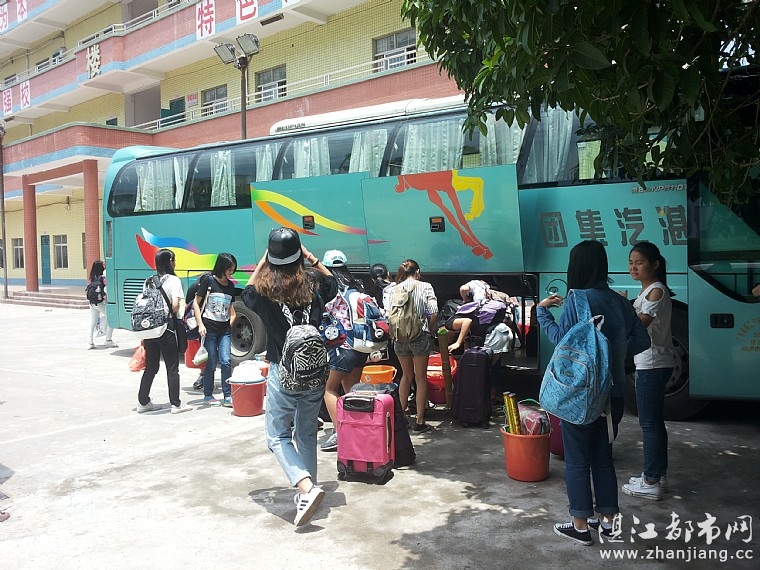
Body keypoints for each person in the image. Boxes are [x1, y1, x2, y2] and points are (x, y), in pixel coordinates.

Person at [536, 240, 649, 545]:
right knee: (603, 458)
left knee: (576, 460)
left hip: (581, 395)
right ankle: (609, 523)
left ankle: (580, 526)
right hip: (613, 394)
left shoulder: (578, 299)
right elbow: (642, 342)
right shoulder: (620, 301)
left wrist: (541, 312)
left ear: (576, 267)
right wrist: (613, 358)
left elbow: (562, 340)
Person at [241, 228, 337, 526]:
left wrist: (263, 261)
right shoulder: (315, 284)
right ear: (299, 255)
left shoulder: (263, 291)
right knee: (306, 433)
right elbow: (334, 283)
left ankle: (306, 488)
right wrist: (311, 257)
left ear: (271, 258)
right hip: (316, 371)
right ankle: (309, 490)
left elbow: (245, 292)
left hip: (284, 372)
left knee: (277, 436)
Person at [621, 242, 675, 501]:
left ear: (655, 264)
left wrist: (621, 308)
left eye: (639, 262)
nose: (633, 267)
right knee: (654, 422)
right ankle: (657, 475)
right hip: (651, 363)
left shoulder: (656, 291)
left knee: (649, 423)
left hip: (652, 364)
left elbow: (640, 325)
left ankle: (651, 481)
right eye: (631, 262)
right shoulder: (647, 291)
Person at [320, 250, 371, 452]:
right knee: (352, 390)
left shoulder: (331, 289)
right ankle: (357, 429)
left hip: (342, 345)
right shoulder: (356, 285)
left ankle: (340, 434)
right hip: (361, 344)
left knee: (329, 389)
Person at [385, 259, 439, 433]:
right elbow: (434, 312)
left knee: (406, 376)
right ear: (417, 272)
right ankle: (420, 421)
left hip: (399, 338)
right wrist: (428, 329)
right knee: (420, 378)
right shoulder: (425, 286)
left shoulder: (392, 289)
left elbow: (387, 315)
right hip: (419, 336)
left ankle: (401, 419)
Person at [137, 248, 193, 414]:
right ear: (169, 262)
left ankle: (143, 402)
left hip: (150, 329)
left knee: (151, 366)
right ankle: (176, 404)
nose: (175, 263)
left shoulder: (149, 280)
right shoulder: (174, 281)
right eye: (174, 260)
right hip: (166, 328)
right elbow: (175, 305)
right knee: (172, 367)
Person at [194, 253, 238, 408]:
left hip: (224, 330)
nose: (231, 272)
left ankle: (227, 395)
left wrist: (228, 324)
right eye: (229, 269)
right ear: (221, 267)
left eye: (233, 269)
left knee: (226, 361)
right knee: (211, 362)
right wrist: (200, 325)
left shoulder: (231, 286)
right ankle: (208, 395)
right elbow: (196, 303)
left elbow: (232, 311)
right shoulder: (209, 281)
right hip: (209, 329)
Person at [87, 260, 117, 349]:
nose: (104, 266)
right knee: (111, 317)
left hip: (92, 302)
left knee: (92, 322)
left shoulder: (92, 277)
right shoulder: (102, 277)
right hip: (100, 303)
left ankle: (90, 342)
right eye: (103, 265)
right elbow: (108, 284)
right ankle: (108, 340)